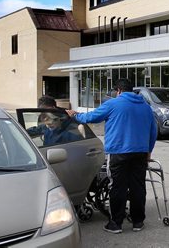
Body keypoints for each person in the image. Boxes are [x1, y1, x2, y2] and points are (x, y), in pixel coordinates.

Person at [66, 79, 157, 234]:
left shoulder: (113, 104)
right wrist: (148, 151)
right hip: (140, 153)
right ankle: (138, 222)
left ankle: (115, 224)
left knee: (117, 187)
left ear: (119, 90)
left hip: (118, 152)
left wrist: (75, 115)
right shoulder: (146, 107)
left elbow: (91, 117)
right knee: (138, 187)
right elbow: (153, 131)